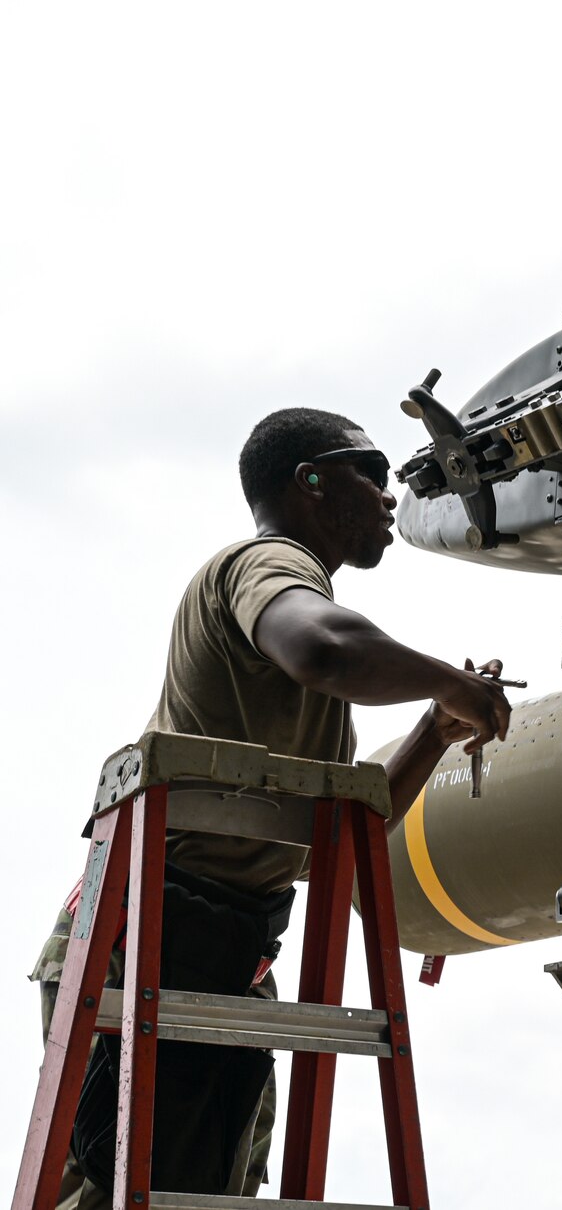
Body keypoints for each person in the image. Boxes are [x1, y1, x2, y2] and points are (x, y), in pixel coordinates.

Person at [29, 406, 513, 1206]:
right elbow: (321, 647)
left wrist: (433, 727)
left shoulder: (311, 672)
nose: (391, 498)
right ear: (310, 481)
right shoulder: (268, 568)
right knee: (127, 1184)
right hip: (144, 935)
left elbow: (338, 834)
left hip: (226, 948)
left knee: (216, 1183)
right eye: (374, 470)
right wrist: (448, 680)